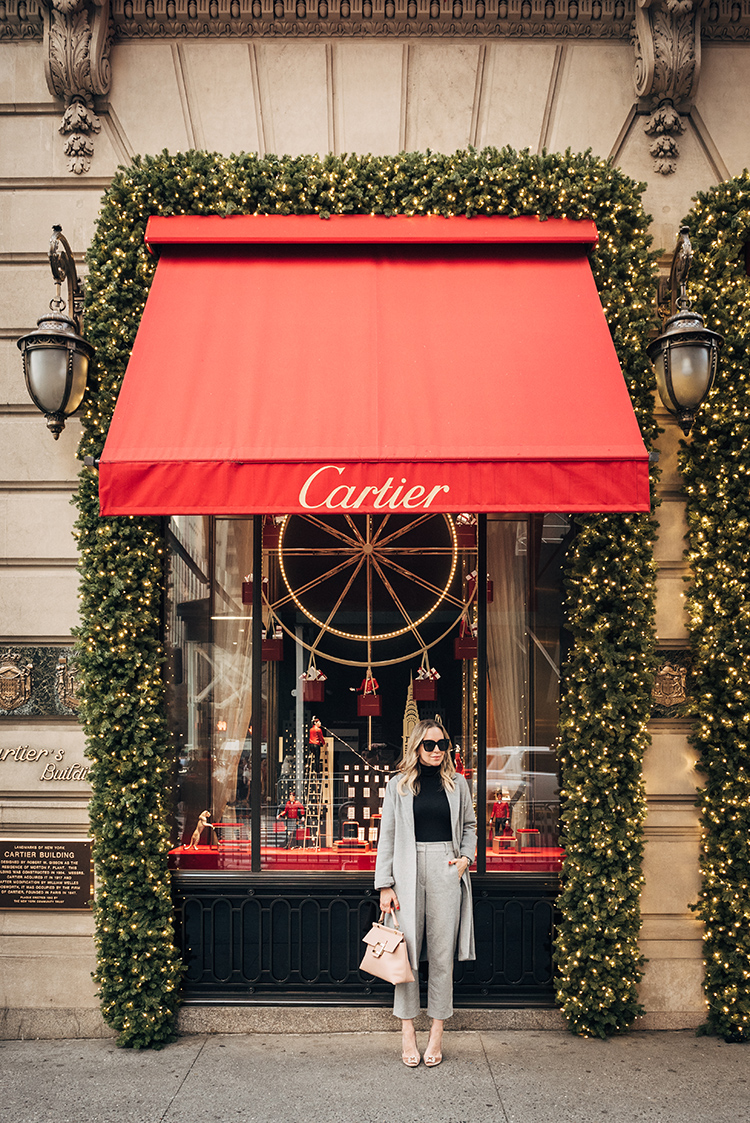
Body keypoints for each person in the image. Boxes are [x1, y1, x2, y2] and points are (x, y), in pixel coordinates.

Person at [375, 718, 476, 1069]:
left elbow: (469, 826)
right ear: (416, 747)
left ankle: (436, 1032)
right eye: (429, 745)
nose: (436, 751)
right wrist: (384, 883)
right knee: (406, 956)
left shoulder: (458, 783)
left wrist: (465, 858)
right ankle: (407, 1032)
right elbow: (386, 836)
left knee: (442, 955)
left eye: (442, 744)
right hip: (405, 871)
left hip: (447, 869)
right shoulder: (398, 786)